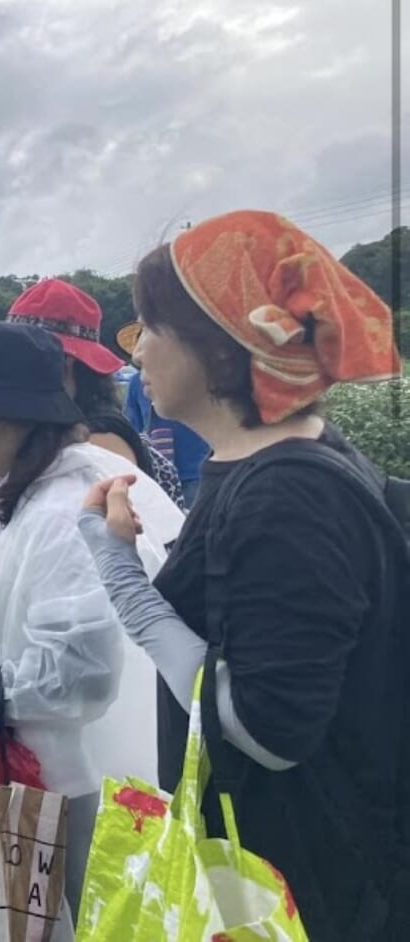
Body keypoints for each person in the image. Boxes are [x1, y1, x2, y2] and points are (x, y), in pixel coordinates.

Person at [79, 210, 404, 941]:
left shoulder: (290, 495)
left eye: (148, 329)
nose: (135, 356)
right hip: (288, 869)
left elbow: (267, 728)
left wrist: (121, 578)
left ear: (221, 348)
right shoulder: (268, 465)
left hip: (309, 889)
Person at [0, 322, 184, 920]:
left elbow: (83, 677)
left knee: (59, 917)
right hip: (25, 768)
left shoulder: (65, 513)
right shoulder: (21, 493)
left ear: (30, 418)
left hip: (63, 786)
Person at [8, 277, 188, 508]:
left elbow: (119, 532)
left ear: (65, 361)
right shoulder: (65, 422)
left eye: (21, 358)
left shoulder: (100, 438)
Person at [117, 327, 211, 508]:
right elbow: (133, 426)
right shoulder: (137, 383)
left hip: (194, 469)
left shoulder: (190, 377)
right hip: (157, 471)